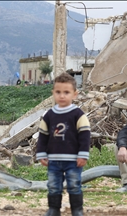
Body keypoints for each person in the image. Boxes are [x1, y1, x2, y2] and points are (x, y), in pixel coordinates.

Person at [36, 72, 91, 216]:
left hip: (73, 160)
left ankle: (77, 210)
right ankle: (53, 209)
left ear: (75, 94)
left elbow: (85, 136)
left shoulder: (78, 115)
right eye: (58, 92)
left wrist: (83, 154)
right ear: (53, 93)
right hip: (54, 159)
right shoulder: (49, 115)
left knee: (74, 185)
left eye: (66, 92)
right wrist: (41, 153)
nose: (62, 96)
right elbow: (43, 136)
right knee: (54, 186)